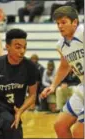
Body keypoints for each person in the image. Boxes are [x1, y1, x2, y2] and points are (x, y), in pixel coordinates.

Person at [40, 6, 84, 138]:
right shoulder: (61, 45)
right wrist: (53, 86)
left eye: (63, 22)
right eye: (58, 23)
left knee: (79, 132)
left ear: (75, 22)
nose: (60, 26)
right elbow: (65, 66)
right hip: (83, 87)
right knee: (60, 125)